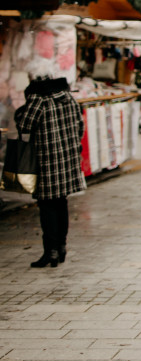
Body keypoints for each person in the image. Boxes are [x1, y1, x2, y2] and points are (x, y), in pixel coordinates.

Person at [14, 76, 85, 268]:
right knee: (61, 203)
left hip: (47, 160)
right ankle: (61, 247)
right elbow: (80, 126)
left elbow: (24, 125)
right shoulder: (69, 98)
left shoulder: (39, 100)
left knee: (47, 206)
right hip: (67, 160)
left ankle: (50, 251)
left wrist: (22, 110)